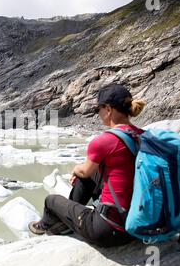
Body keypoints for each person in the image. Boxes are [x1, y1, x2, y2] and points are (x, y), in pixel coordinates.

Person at [28, 84, 147, 248]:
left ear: (108, 109)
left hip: (110, 230)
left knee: (51, 201)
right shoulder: (142, 136)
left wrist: (76, 170)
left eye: (99, 109)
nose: (98, 114)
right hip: (140, 223)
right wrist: (83, 173)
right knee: (91, 174)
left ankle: (46, 225)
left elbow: (84, 170)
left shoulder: (105, 140)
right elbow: (90, 173)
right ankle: (66, 221)